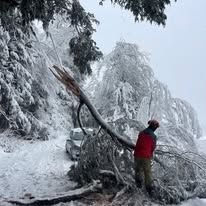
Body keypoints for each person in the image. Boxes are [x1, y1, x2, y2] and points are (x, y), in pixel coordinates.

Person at [134, 119, 160, 195]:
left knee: (138, 170)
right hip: (146, 156)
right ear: (154, 127)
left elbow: (138, 143)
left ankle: (138, 185)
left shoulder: (141, 133)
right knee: (147, 172)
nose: (156, 129)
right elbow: (153, 147)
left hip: (137, 154)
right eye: (156, 127)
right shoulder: (154, 136)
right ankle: (149, 189)